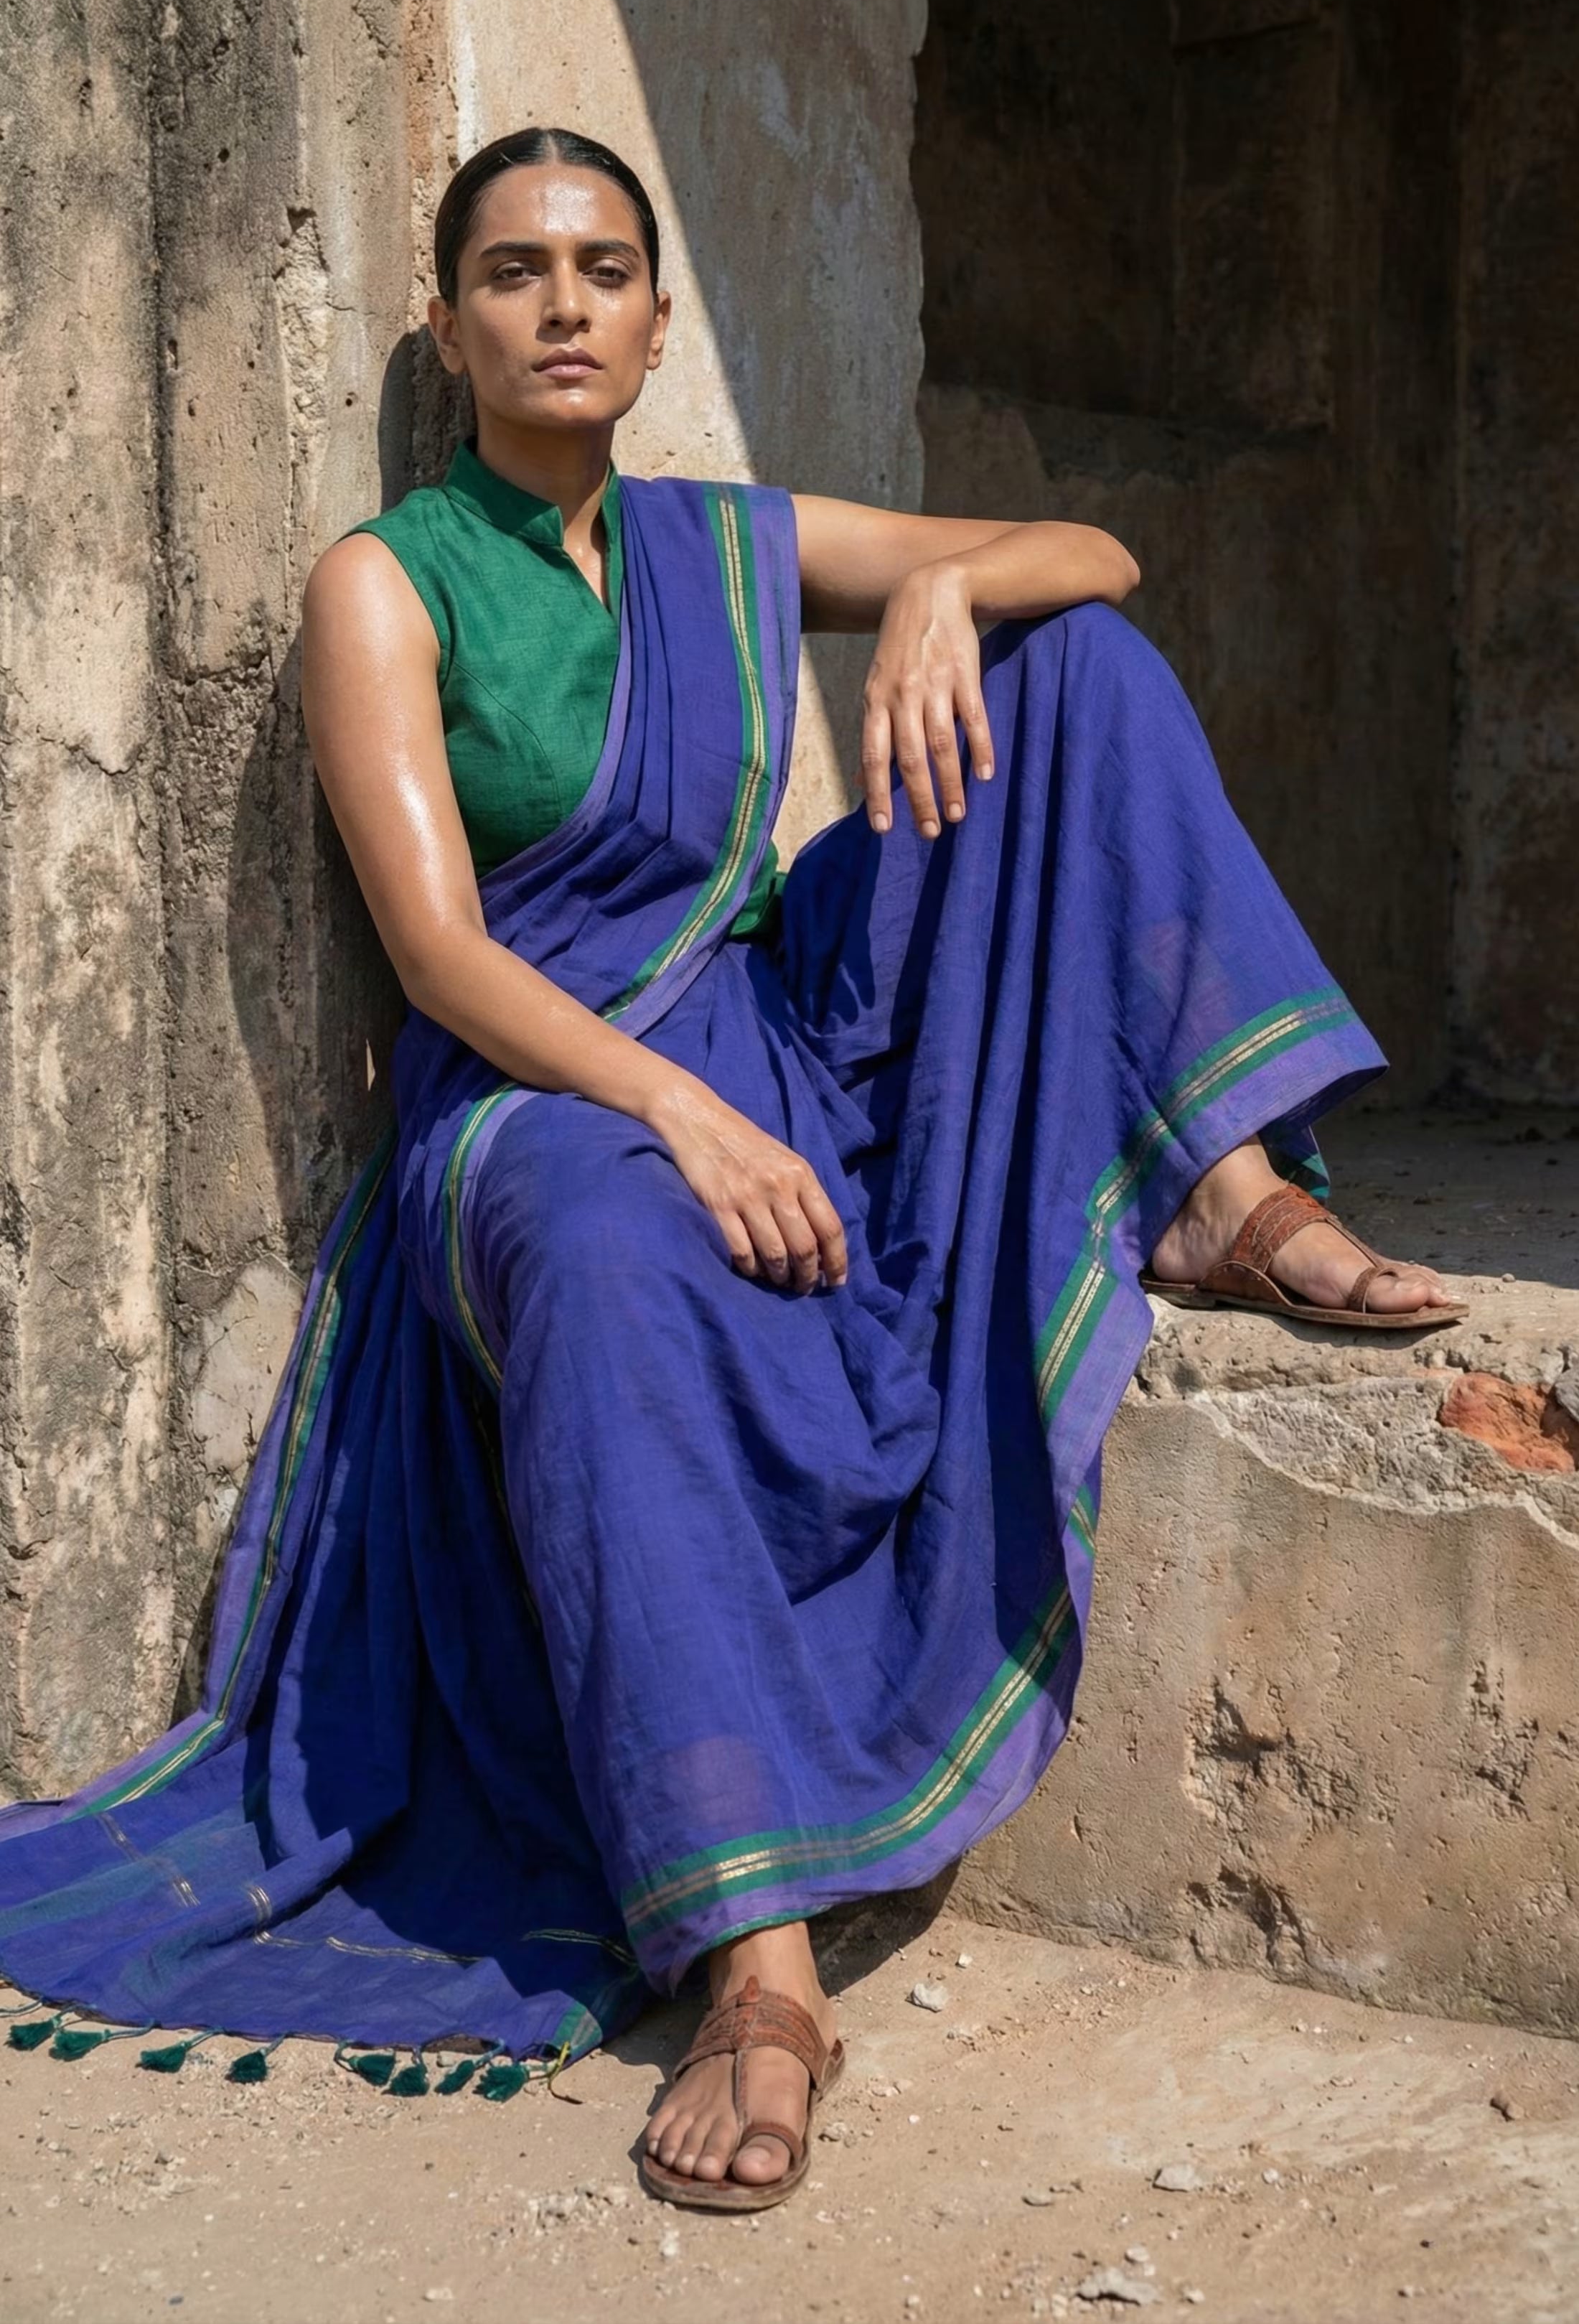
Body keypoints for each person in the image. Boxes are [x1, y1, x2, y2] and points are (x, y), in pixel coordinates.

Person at [0, 126, 1462, 2213]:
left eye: (606, 267)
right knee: (601, 1253)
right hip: (537, 1099)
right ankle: (758, 1965)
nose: (566, 303)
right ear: (448, 321)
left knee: (1078, 676)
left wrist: (945, 592)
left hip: (766, 1018)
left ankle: (1223, 1179)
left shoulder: (718, 539)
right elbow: (438, 958)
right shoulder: (386, 583)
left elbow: (1102, 557)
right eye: (515, 271)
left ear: (663, 318)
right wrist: (679, 1113)